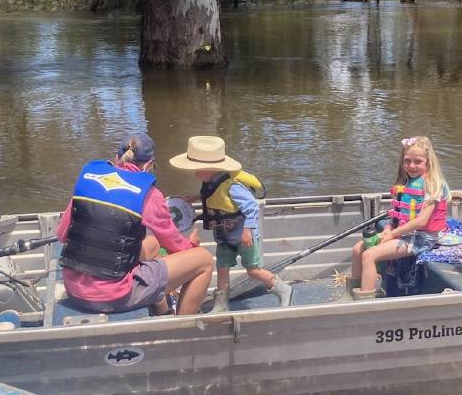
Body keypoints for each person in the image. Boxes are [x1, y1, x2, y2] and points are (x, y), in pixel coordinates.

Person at [55, 133, 214, 315]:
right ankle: (181, 327)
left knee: (152, 244)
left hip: (74, 289)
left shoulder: (88, 180)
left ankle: (160, 307)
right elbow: (177, 248)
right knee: (204, 260)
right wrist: (192, 244)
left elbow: (62, 235)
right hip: (113, 297)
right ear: (148, 165)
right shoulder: (150, 195)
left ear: (116, 158)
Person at [170, 136, 292, 312]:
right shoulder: (209, 182)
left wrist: (248, 230)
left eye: (199, 169)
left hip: (244, 236)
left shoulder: (232, 186)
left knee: (253, 270)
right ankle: (221, 304)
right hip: (224, 235)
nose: (196, 173)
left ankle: (284, 290)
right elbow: (213, 196)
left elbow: (252, 207)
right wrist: (195, 197)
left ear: (214, 168)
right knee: (222, 267)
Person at [347, 135, 458, 300]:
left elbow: (421, 221)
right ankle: (351, 294)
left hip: (421, 238)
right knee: (358, 249)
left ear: (428, 162)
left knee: (369, 255)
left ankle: (365, 302)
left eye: (418, 161)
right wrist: (389, 228)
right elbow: (399, 214)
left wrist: (393, 234)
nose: (411, 166)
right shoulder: (406, 181)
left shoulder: (433, 185)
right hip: (404, 233)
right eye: (407, 161)